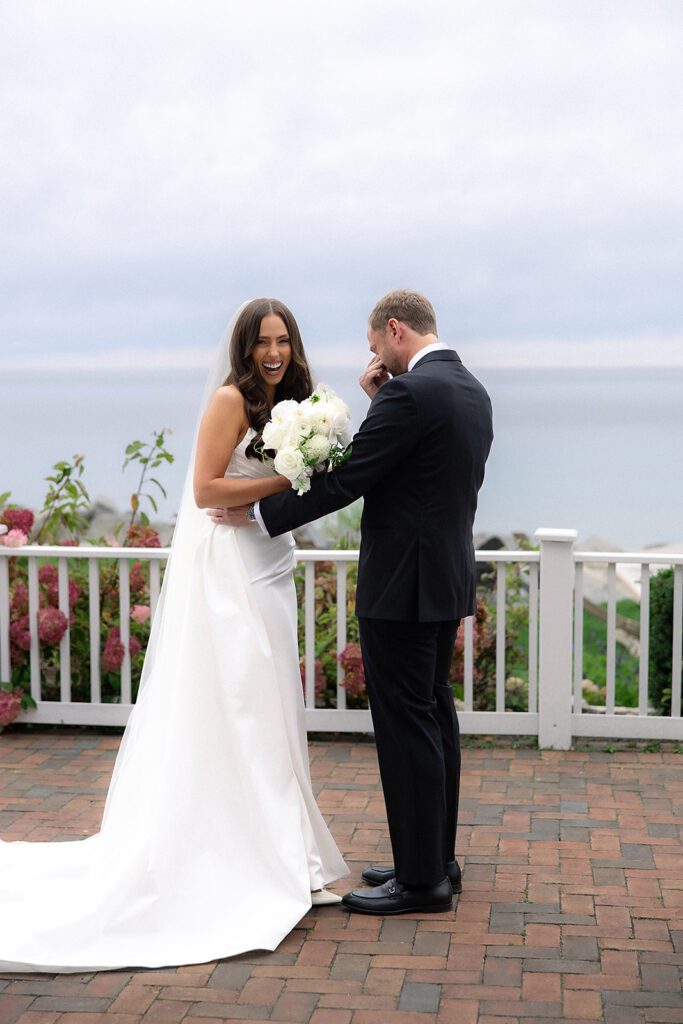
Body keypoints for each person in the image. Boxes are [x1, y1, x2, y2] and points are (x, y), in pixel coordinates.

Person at [0, 298, 347, 973]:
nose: (273, 353)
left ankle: (289, 854)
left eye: (282, 341)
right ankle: (244, 856)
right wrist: (287, 477)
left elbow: (291, 489)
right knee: (240, 706)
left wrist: (302, 474)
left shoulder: (295, 404)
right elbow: (206, 490)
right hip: (231, 569)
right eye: (262, 342)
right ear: (243, 348)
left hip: (271, 564)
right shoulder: (229, 400)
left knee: (276, 710)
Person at [219, 290, 493, 915]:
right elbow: (418, 468)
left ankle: (420, 883)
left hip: (401, 586)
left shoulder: (410, 394)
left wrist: (260, 513)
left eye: (375, 346)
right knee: (433, 718)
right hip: (444, 578)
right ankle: (435, 861)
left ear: (395, 330)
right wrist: (380, 401)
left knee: (405, 728)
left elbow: (350, 478)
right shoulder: (468, 389)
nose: (374, 359)